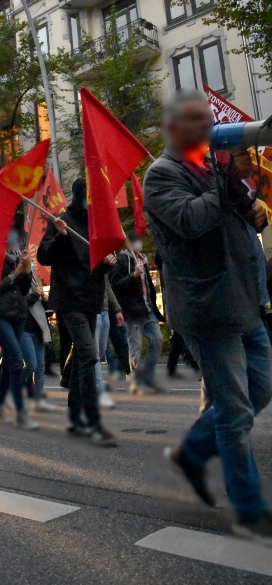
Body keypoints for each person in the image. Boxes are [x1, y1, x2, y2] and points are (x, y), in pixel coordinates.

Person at [144, 88, 272, 542]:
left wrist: (250, 198)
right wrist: (225, 179)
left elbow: (253, 220)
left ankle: (194, 450)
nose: (209, 126)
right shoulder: (161, 175)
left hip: (244, 301)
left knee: (261, 388)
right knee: (235, 409)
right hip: (207, 307)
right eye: (199, 119)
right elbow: (190, 221)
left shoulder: (212, 169)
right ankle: (248, 507)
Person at [38, 178, 115, 444]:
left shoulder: (95, 226)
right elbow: (44, 256)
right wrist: (59, 236)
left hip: (91, 300)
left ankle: (74, 413)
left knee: (83, 355)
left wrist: (108, 263)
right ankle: (92, 422)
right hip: (69, 300)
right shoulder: (61, 221)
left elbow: (97, 266)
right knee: (89, 354)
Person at [0, 225, 37, 429]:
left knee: (7, 363)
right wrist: (15, 273)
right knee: (16, 360)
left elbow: (23, 291)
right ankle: (21, 412)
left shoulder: (17, 257)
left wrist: (27, 269)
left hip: (18, 315)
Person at [111, 231, 164, 395]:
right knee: (135, 346)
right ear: (128, 243)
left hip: (147, 310)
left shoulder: (143, 260)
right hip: (132, 312)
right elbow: (115, 285)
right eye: (134, 241)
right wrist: (133, 275)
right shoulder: (122, 260)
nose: (138, 244)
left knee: (157, 340)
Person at [21, 279, 57, 412]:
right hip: (24, 330)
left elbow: (47, 311)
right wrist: (35, 295)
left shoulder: (36, 284)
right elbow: (20, 305)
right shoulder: (20, 283)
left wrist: (45, 299)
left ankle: (38, 400)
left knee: (40, 366)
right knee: (31, 365)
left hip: (38, 331)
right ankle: (11, 386)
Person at [94, 276, 125, 409]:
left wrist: (117, 309)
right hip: (91, 310)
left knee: (100, 351)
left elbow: (107, 286)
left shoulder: (101, 263)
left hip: (105, 310)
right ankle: (101, 390)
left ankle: (84, 377)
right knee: (94, 352)